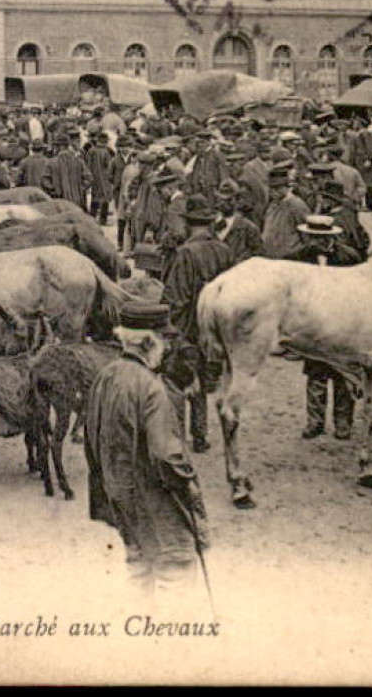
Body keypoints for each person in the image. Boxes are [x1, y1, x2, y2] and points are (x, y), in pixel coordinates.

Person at [83, 300, 210, 595]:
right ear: (149, 342)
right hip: (157, 503)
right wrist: (189, 484)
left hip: (121, 499)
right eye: (164, 340)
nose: (166, 348)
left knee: (138, 570)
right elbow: (166, 454)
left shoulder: (106, 375)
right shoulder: (151, 387)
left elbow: (91, 439)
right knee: (175, 572)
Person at [160, 198, 233, 453]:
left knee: (177, 381)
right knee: (201, 381)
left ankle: (177, 437)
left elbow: (174, 298)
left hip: (188, 329)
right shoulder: (224, 250)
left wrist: (168, 330)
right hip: (214, 331)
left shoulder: (186, 254)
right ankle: (200, 435)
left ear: (189, 224)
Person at [288, 214, 365, 440]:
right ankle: (315, 422)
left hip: (343, 324)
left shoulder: (349, 257)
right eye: (312, 237)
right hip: (313, 325)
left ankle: (343, 423)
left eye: (321, 238)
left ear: (331, 237)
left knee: (343, 374)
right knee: (315, 374)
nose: (316, 242)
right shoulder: (299, 257)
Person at [260, 164, 310, 259]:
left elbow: (306, 235)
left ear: (287, 187)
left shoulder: (297, 205)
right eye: (271, 188)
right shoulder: (272, 205)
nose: (273, 191)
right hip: (271, 257)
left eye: (277, 188)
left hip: (290, 258)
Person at [214, 181, 261, 264]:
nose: (223, 203)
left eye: (229, 200)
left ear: (237, 201)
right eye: (220, 199)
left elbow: (256, 253)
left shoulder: (248, 228)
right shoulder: (210, 224)